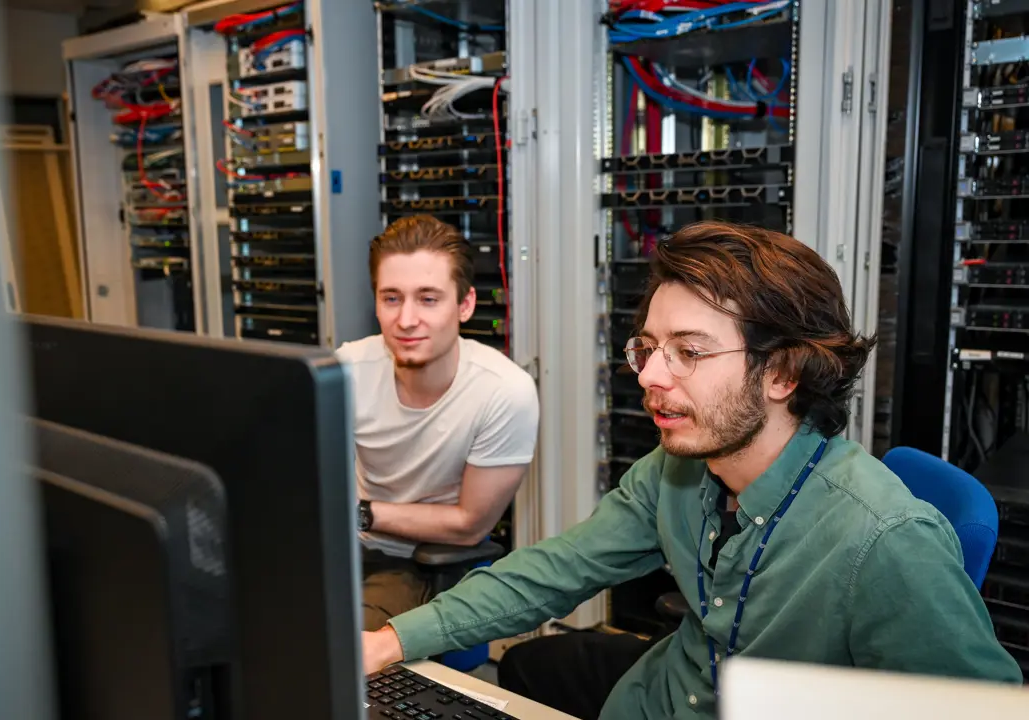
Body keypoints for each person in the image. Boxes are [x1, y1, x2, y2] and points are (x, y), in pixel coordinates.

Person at [361, 221, 1022, 719]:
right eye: (647, 348)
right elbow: (558, 569)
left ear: (784, 372)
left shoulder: (884, 542)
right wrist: (391, 642)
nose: (649, 376)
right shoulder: (675, 472)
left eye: (688, 352)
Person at [337, 214, 539, 632]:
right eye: (391, 298)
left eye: (428, 299)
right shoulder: (347, 368)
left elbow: (469, 526)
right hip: (339, 548)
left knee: (343, 653)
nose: (406, 319)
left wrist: (359, 513)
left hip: (416, 562)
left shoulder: (504, 392)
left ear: (465, 305)